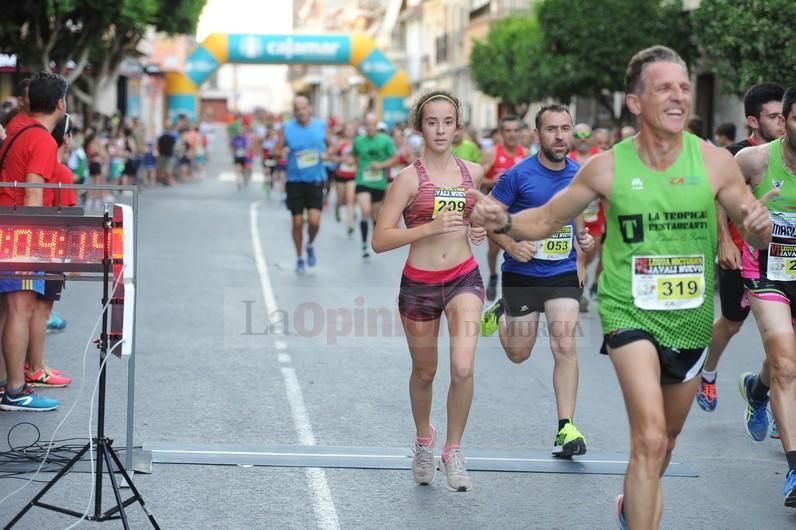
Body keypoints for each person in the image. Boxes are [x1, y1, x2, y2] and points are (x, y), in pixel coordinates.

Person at [469, 45, 773, 528]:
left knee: (665, 444)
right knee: (649, 439)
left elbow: (753, 226)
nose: (678, 97)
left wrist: (758, 224)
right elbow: (547, 218)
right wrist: (503, 219)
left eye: (684, 88)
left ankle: (631, 507)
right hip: (628, 309)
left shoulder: (715, 162)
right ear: (635, 101)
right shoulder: (605, 168)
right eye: (664, 88)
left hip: (690, 318)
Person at [372, 90, 486, 492]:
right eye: (432, 122)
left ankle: (453, 450)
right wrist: (429, 228)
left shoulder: (473, 172)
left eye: (448, 122)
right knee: (425, 371)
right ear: (421, 127)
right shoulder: (406, 180)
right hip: (419, 284)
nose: (440, 129)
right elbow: (380, 240)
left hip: (463, 278)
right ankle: (424, 439)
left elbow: (482, 218)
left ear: (458, 126)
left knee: (463, 367)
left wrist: (480, 228)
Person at [480, 104, 594, 457]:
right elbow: (488, 219)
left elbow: (578, 223)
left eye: (565, 128)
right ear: (537, 135)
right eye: (551, 129)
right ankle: (500, 314)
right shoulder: (517, 177)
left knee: (564, 344)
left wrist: (584, 241)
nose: (560, 136)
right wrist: (512, 246)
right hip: (522, 274)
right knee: (518, 354)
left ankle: (566, 427)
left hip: (561, 272)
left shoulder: (581, 176)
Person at [696, 83, 785, 414]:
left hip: (780, 258)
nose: (781, 123)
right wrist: (723, 241)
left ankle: (775, 402)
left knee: (780, 337)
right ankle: (708, 372)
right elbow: (717, 196)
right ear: (752, 120)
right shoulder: (736, 155)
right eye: (773, 116)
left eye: (783, 115)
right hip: (739, 251)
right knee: (732, 322)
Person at [735, 86, 796, 507]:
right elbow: (722, 197)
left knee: (785, 360)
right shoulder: (754, 159)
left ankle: (758, 390)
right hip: (765, 269)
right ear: (785, 120)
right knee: (787, 365)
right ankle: (795, 470)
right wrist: (727, 237)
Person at [0, 72, 68, 412]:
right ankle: (15, 391)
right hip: (21, 235)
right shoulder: (42, 140)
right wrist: (38, 243)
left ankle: (6, 385)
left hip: (7, 228)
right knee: (20, 310)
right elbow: (32, 191)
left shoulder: (17, 126)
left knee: (8, 310)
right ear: (60, 103)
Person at [275, 96, 329, 274]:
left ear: (309, 109)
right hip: (295, 180)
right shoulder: (287, 128)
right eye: (297, 108)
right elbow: (276, 150)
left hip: (315, 179)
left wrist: (327, 154)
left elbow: (334, 146)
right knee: (297, 222)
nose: (301, 111)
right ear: (294, 111)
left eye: (303, 107)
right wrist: (281, 151)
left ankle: (310, 244)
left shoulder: (320, 126)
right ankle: (299, 258)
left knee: (314, 221)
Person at [481, 116, 526, 300]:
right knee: (494, 250)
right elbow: (478, 179)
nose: (512, 134)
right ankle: (492, 276)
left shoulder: (526, 154)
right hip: (495, 212)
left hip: (519, 214)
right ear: (501, 134)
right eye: (508, 131)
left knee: (518, 249)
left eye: (516, 130)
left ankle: (516, 287)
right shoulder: (492, 153)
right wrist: (495, 182)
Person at [353, 112, 397, 259]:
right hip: (362, 181)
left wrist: (381, 165)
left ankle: (374, 237)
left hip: (379, 183)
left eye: (373, 125)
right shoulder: (358, 141)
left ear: (376, 126)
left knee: (375, 215)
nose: (370, 127)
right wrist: (359, 168)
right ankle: (364, 244)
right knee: (365, 210)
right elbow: (354, 156)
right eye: (368, 125)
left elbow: (394, 158)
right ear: (364, 126)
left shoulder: (385, 140)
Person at [570, 123, 602, 311]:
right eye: (578, 134)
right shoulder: (568, 159)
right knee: (580, 257)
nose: (582, 138)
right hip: (575, 218)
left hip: (597, 219)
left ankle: (585, 277)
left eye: (586, 134)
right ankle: (579, 294)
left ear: (591, 137)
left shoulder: (601, 158)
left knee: (591, 256)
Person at [332, 122, 358, 236]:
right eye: (348, 129)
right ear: (344, 131)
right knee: (342, 200)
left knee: (350, 199)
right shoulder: (340, 143)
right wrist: (341, 159)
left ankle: (350, 224)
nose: (350, 131)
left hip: (353, 175)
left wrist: (355, 161)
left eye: (352, 129)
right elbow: (330, 156)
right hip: (341, 175)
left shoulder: (358, 143)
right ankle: (337, 207)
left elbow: (362, 157)